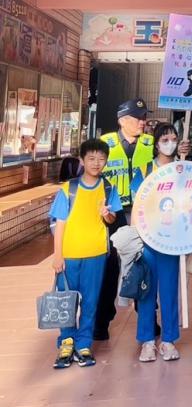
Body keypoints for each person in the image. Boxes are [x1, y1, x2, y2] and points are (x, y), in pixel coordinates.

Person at [50, 139, 123, 369]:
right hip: (69, 255)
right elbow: (60, 224)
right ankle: (66, 343)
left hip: (97, 254)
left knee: (91, 302)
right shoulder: (68, 189)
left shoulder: (109, 187)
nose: (96, 163)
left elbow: (111, 219)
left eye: (101, 159)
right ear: (82, 160)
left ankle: (84, 344)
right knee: (67, 301)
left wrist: (106, 214)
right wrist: (58, 255)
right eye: (91, 158)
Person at [96, 98, 155, 341]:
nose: (142, 122)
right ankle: (101, 321)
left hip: (143, 212)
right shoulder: (105, 143)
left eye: (144, 117)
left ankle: (147, 318)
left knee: (145, 264)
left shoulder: (151, 143)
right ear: (122, 120)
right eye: (137, 118)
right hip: (113, 213)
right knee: (110, 266)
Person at [130, 123, 183, 363]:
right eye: (165, 139)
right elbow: (136, 204)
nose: (169, 143)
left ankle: (169, 340)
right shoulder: (144, 170)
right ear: (156, 143)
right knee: (146, 292)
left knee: (170, 291)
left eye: (173, 139)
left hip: (172, 240)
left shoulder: (183, 169)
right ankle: (147, 341)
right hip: (148, 239)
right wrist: (136, 237)